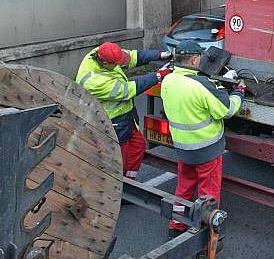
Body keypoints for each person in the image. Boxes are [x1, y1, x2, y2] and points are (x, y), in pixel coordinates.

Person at [161, 41, 244, 237]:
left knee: (184, 187)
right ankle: (206, 230)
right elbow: (227, 110)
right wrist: (238, 92)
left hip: (183, 149)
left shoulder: (168, 81)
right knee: (208, 194)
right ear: (194, 59)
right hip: (207, 150)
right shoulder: (202, 86)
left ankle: (177, 225)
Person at [77, 42, 173, 179]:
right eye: (116, 64)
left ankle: (129, 180)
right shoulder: (93, 81)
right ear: (105, 62)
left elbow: (133, 57)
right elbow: (127, 90)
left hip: (124, 117)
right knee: (118, 161)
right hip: (110, 123)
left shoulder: (104, 52)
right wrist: (157, 76)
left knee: (138, 146)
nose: (119, 65)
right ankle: (120, 187)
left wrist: (160, 55)